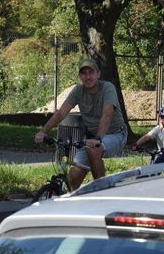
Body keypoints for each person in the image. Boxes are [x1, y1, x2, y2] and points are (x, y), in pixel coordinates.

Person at [35, 58, 127, 190]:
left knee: (94, 149)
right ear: (79, 76)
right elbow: (61, 113)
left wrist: (98, 139)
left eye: (91, 72)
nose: (88, 77)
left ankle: (103, 192)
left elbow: (107, 115)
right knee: (73, 178)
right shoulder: (78, 90)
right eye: (84, 73)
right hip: (91, 139)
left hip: (116, 134)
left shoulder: (107, 88)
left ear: (98, 74)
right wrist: (43, 131)